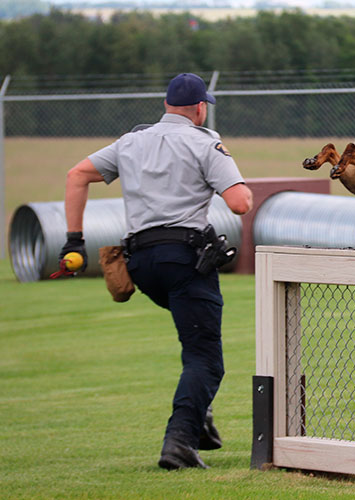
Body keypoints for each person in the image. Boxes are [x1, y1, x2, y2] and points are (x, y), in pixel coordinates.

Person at [59, 73, 253, 470]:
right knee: (206, 359)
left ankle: (196, 417)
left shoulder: (130, 142)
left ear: (167, 105)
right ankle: (180, 442)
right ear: (200, 108)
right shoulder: (204, 142)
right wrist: (220, 167)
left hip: (141, 264)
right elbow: (240, 204)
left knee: (194, 339)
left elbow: (76, 175)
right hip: (184, 259)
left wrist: (74, 241)